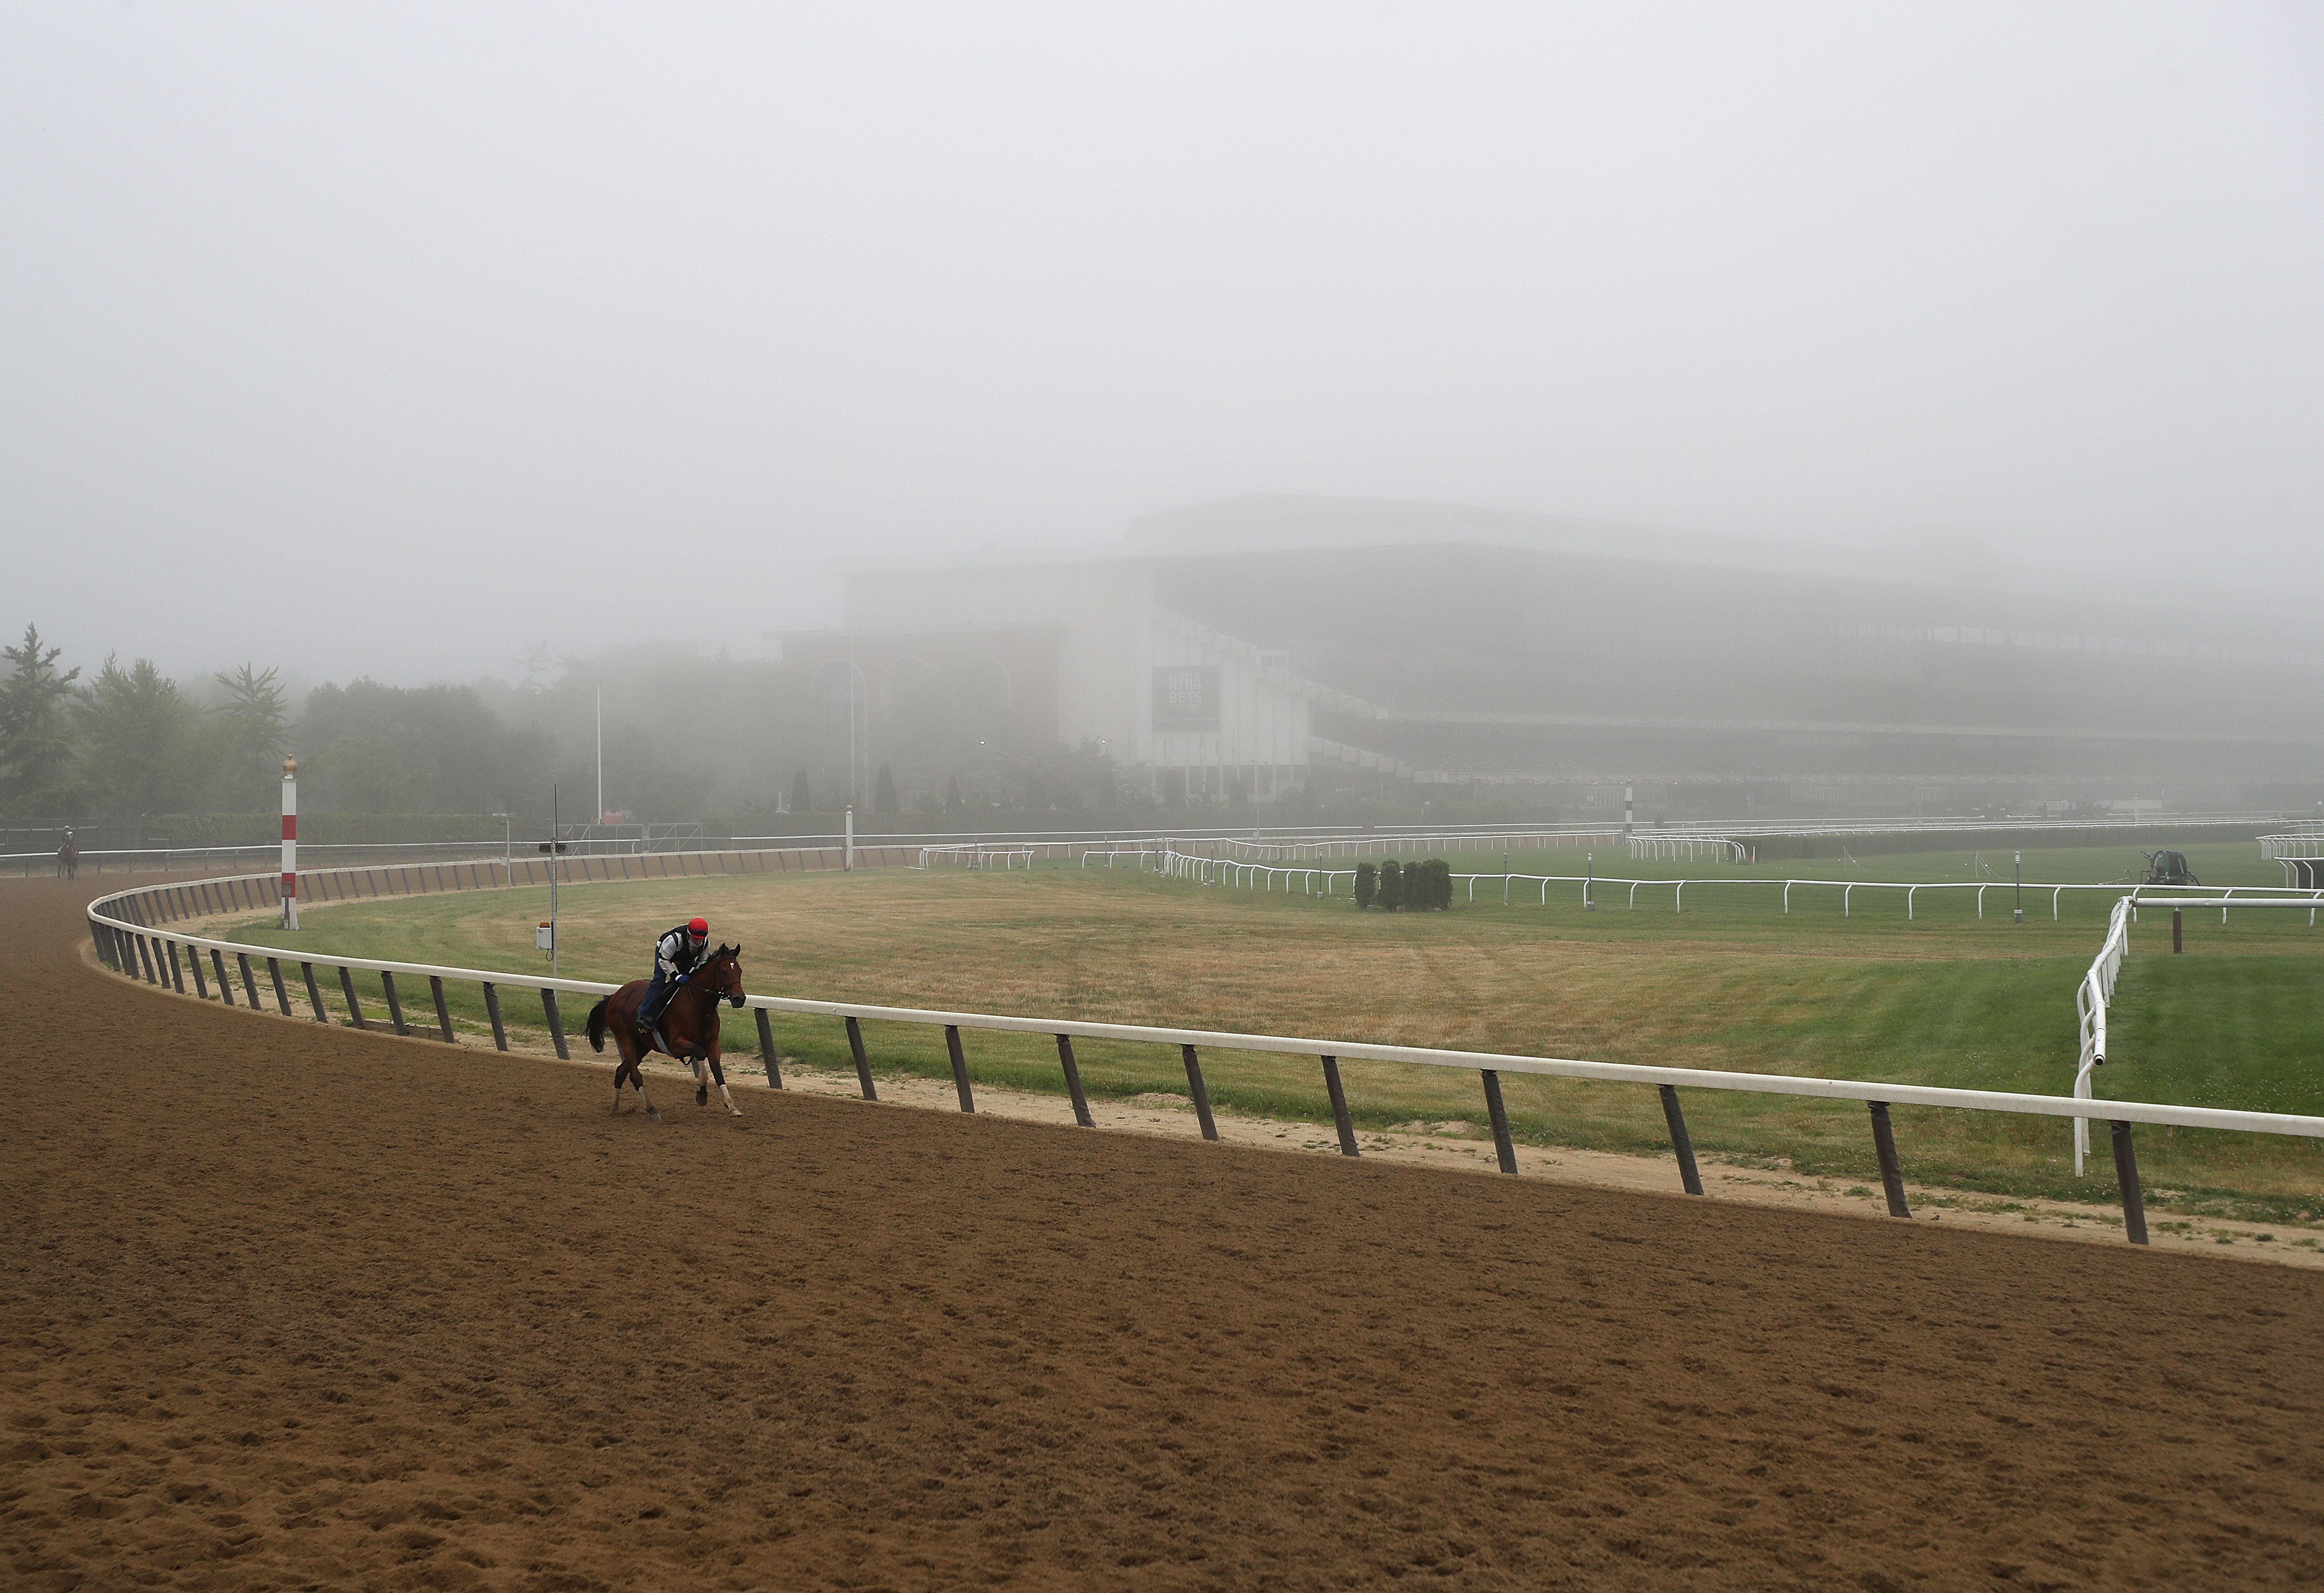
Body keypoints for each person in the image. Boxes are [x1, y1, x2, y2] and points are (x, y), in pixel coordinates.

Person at [638, 916, 711, 1035]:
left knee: (691, 982)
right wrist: (676, 976)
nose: (698, 942)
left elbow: (701, 963)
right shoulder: (675, 940)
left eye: (701, 940)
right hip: (664, 954)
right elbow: (664, 960)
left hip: (685, 957)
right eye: (695, 939)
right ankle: (644, 1016)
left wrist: (693, 972)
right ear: (688, 935)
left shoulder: (705, 944)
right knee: (659, 981)